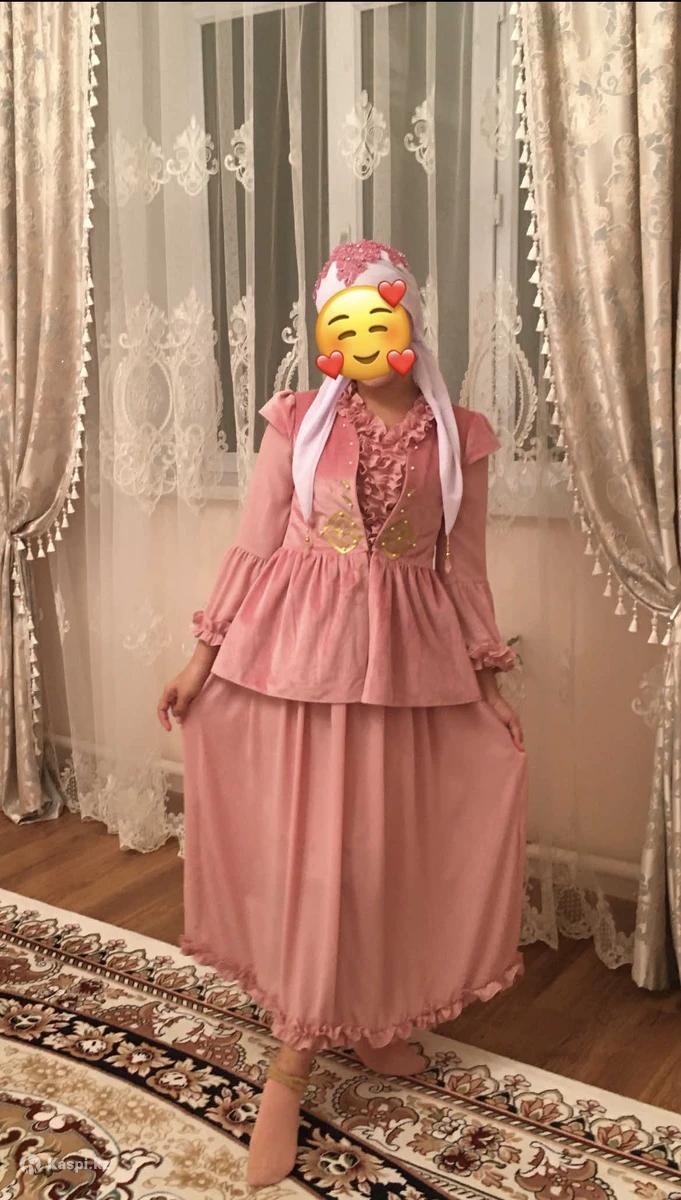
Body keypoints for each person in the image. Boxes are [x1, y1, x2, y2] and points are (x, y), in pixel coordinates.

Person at [157, 240, 528, 1189]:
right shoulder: (298, 418)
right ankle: (292, 1063)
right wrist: (201, 656)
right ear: (328, 332)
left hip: (408, 663)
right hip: (295, 657)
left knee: (380, 852)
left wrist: (489, 684)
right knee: (314, 855)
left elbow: (463, 568)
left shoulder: (460, 434)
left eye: (377, 315)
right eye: (343, 319)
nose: (362, 334)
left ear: (405, 320)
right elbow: (254, 545)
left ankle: (367, 1016)